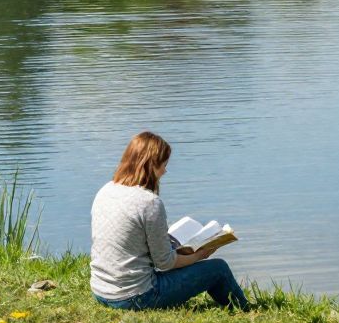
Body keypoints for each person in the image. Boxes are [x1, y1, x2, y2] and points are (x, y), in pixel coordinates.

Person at [90, 130, 249, 312]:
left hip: (101, 291)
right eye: (163, 165)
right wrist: (200, 255)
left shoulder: (106, 190)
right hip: (135, 297)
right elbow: (164, 264)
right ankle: (245, 311)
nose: (165, 171)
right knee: (218, 269)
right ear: (151, 165)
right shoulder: (149, 202)